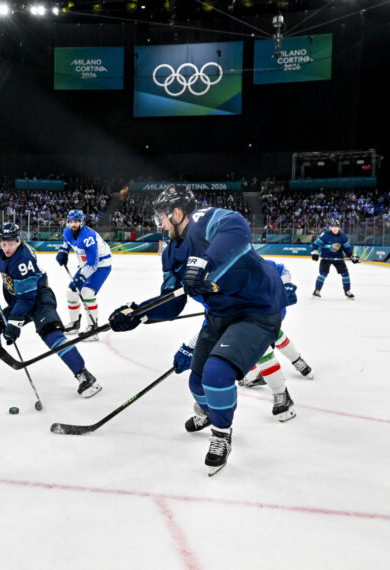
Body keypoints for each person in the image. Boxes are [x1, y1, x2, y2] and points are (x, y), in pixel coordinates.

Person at [107, 187, 285, 476]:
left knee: (217, 373)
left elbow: (237, 226)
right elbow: (172, 302)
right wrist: (139, 314)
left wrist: (205, 262)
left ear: (177, 213)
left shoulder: (206, 220)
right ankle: (212, 413)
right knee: (197, 382)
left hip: (257, 309)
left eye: (162, 219)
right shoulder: (171, 254)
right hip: (220, 314)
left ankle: (221, 436)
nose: (161, 225)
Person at [0, 222, 100, 397]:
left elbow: (27, 299)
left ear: (19, 240)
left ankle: (85, 376)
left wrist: (14, 324)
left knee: (51, 334)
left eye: (12, 243)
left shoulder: (22, 260)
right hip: (19, 300)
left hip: (39, 298)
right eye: (4, 243)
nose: (7, 247)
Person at [175, 259, 305, 424]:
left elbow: (280, 269)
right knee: (223, 354)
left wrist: (286, 286)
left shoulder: (240, 263)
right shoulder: (202, 282)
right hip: (237, 317)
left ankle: (282, 394)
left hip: (265, 312)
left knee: (258, 348)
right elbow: (212, 321)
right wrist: (191, 346)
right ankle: (214, 408)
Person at [55, 210, 112, 341]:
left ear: (81, 222)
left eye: (76, 221)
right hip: (86, 264)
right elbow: (66, 244)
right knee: (71, 293)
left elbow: (93, 263)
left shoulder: (88, 236)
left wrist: (81, 278)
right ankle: (75, 324)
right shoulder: (67, 231)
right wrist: (63, 252)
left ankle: (93, 328)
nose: (73, 224)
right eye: (71, 221)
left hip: (101, 264)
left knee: (86, 293)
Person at [311, 219, 359, 299]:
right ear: (330, 227)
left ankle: (347, 291)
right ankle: (317, 291)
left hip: (339, 259)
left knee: (345, 274)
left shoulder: (343, 236)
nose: (335, 228)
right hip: (326, 258)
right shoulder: (325, 235)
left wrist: (352, 257)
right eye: (333, 227)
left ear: (339, 227)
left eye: (336, 226)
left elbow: (347, 249)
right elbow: (315, 244)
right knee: (323, 274)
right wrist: (314, 252)